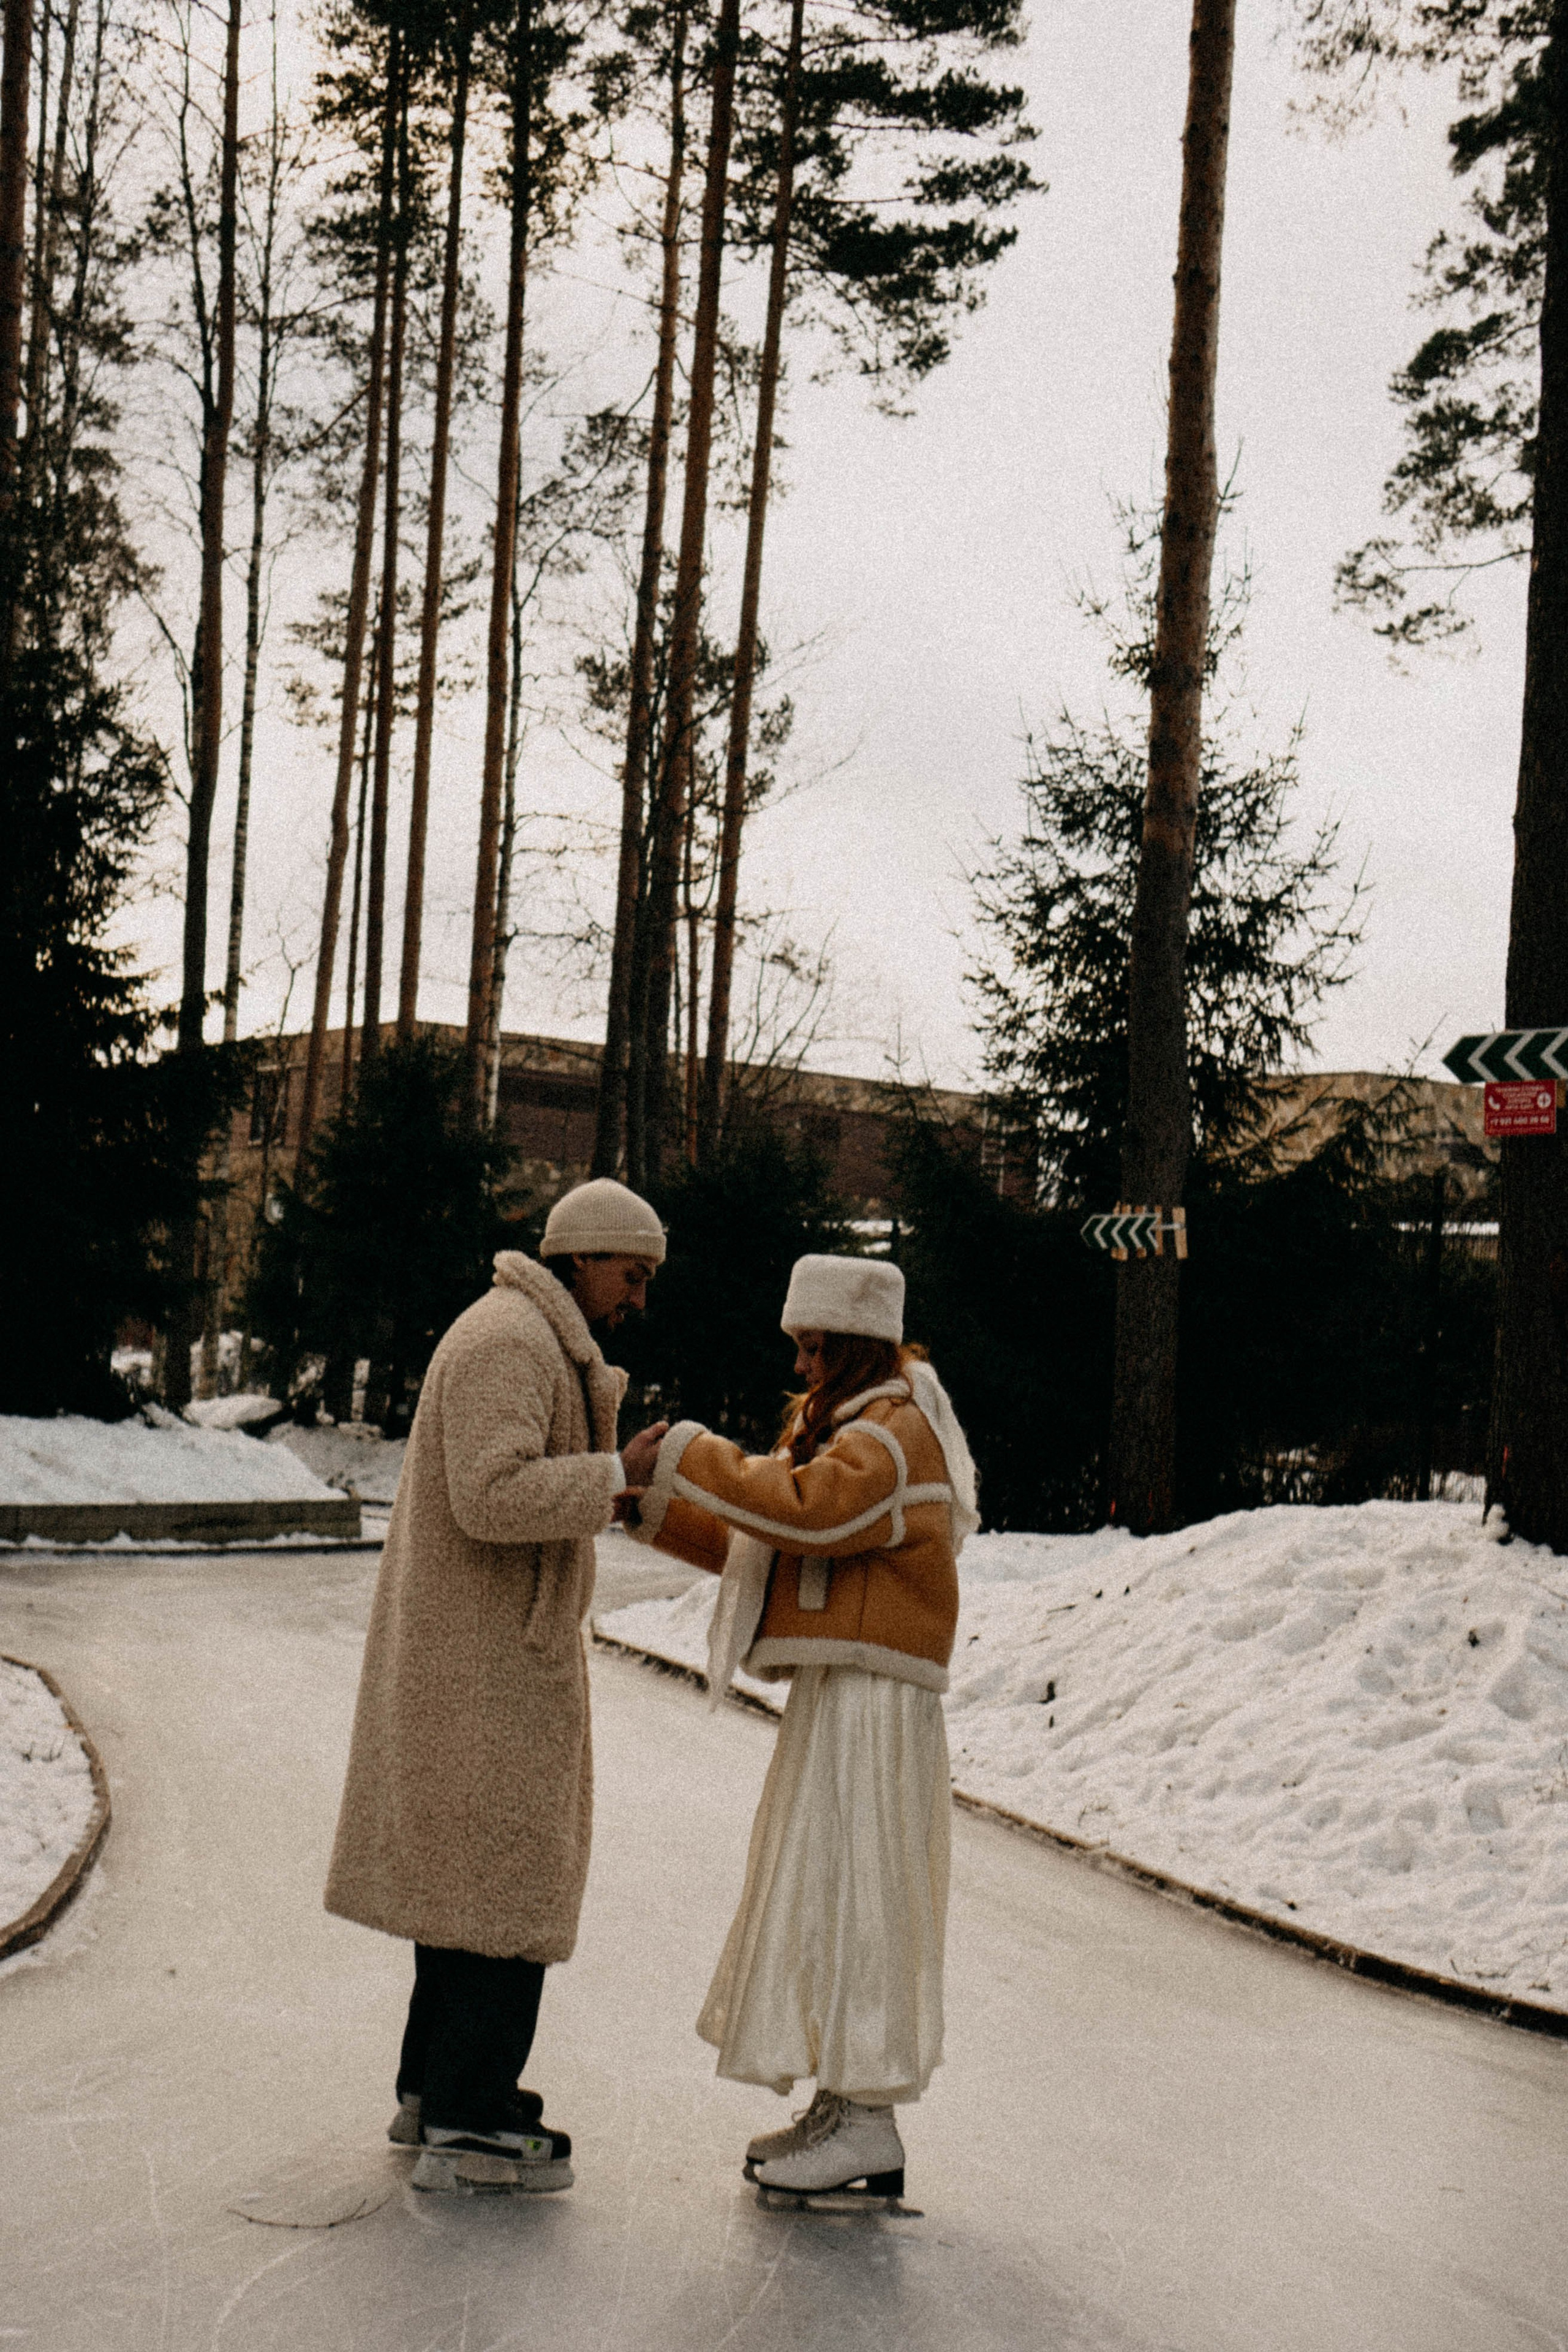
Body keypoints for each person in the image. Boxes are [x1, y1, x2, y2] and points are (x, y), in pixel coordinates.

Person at [323, 1176, 666, 2195]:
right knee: (503, 1880)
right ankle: (466, 2113)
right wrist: (616, 1476)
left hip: (485, 1658)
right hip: (483, 1668)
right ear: (582, 1258)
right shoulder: (512, 1342)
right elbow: (491, 1494)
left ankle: (440, 2087)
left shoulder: (524, 1336)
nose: (639, 1297)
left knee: (469, 1885)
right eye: (631, 1273)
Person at [617, 1253, 978, 2211]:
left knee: (862, 1891)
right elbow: (762, 1546)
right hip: (846, 1690)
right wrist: (651, 1508)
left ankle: (869, 2114)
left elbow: (808, 1518)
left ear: (861, 1345)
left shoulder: (896, 1436)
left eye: (820, 1348)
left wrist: (689, 1449)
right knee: (830, 1884)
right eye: (801, 1348)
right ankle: (843, 2102)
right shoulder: (862, 1428)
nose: (807, 1366)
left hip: (876, 1701)